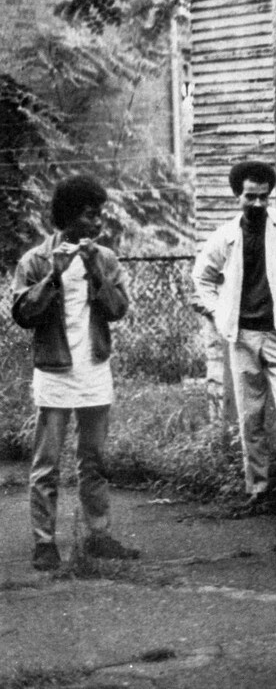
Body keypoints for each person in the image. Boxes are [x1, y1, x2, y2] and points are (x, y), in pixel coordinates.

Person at [13, 175, 139, 571]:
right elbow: (23, 314)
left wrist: (94, 271)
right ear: (68, 215)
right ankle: (45, 542)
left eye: (100, 212)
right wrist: (55, 276)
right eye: (90, 213)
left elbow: (118, 310)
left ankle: (98, 535)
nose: (98, 221)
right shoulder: (35, 260)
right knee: (47, 462)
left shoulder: (104, 258)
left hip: (95, 369)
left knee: (95, 459)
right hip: (54, 371)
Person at [192, 161, 276, 513]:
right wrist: (217, 311)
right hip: (242, 337)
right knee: (250, 417)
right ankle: (259, 489)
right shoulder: (225, 235)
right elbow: (201, 277)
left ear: (271, 196)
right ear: (238, 195)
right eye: (249, 196)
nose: (256, 204)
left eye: (263, 197)